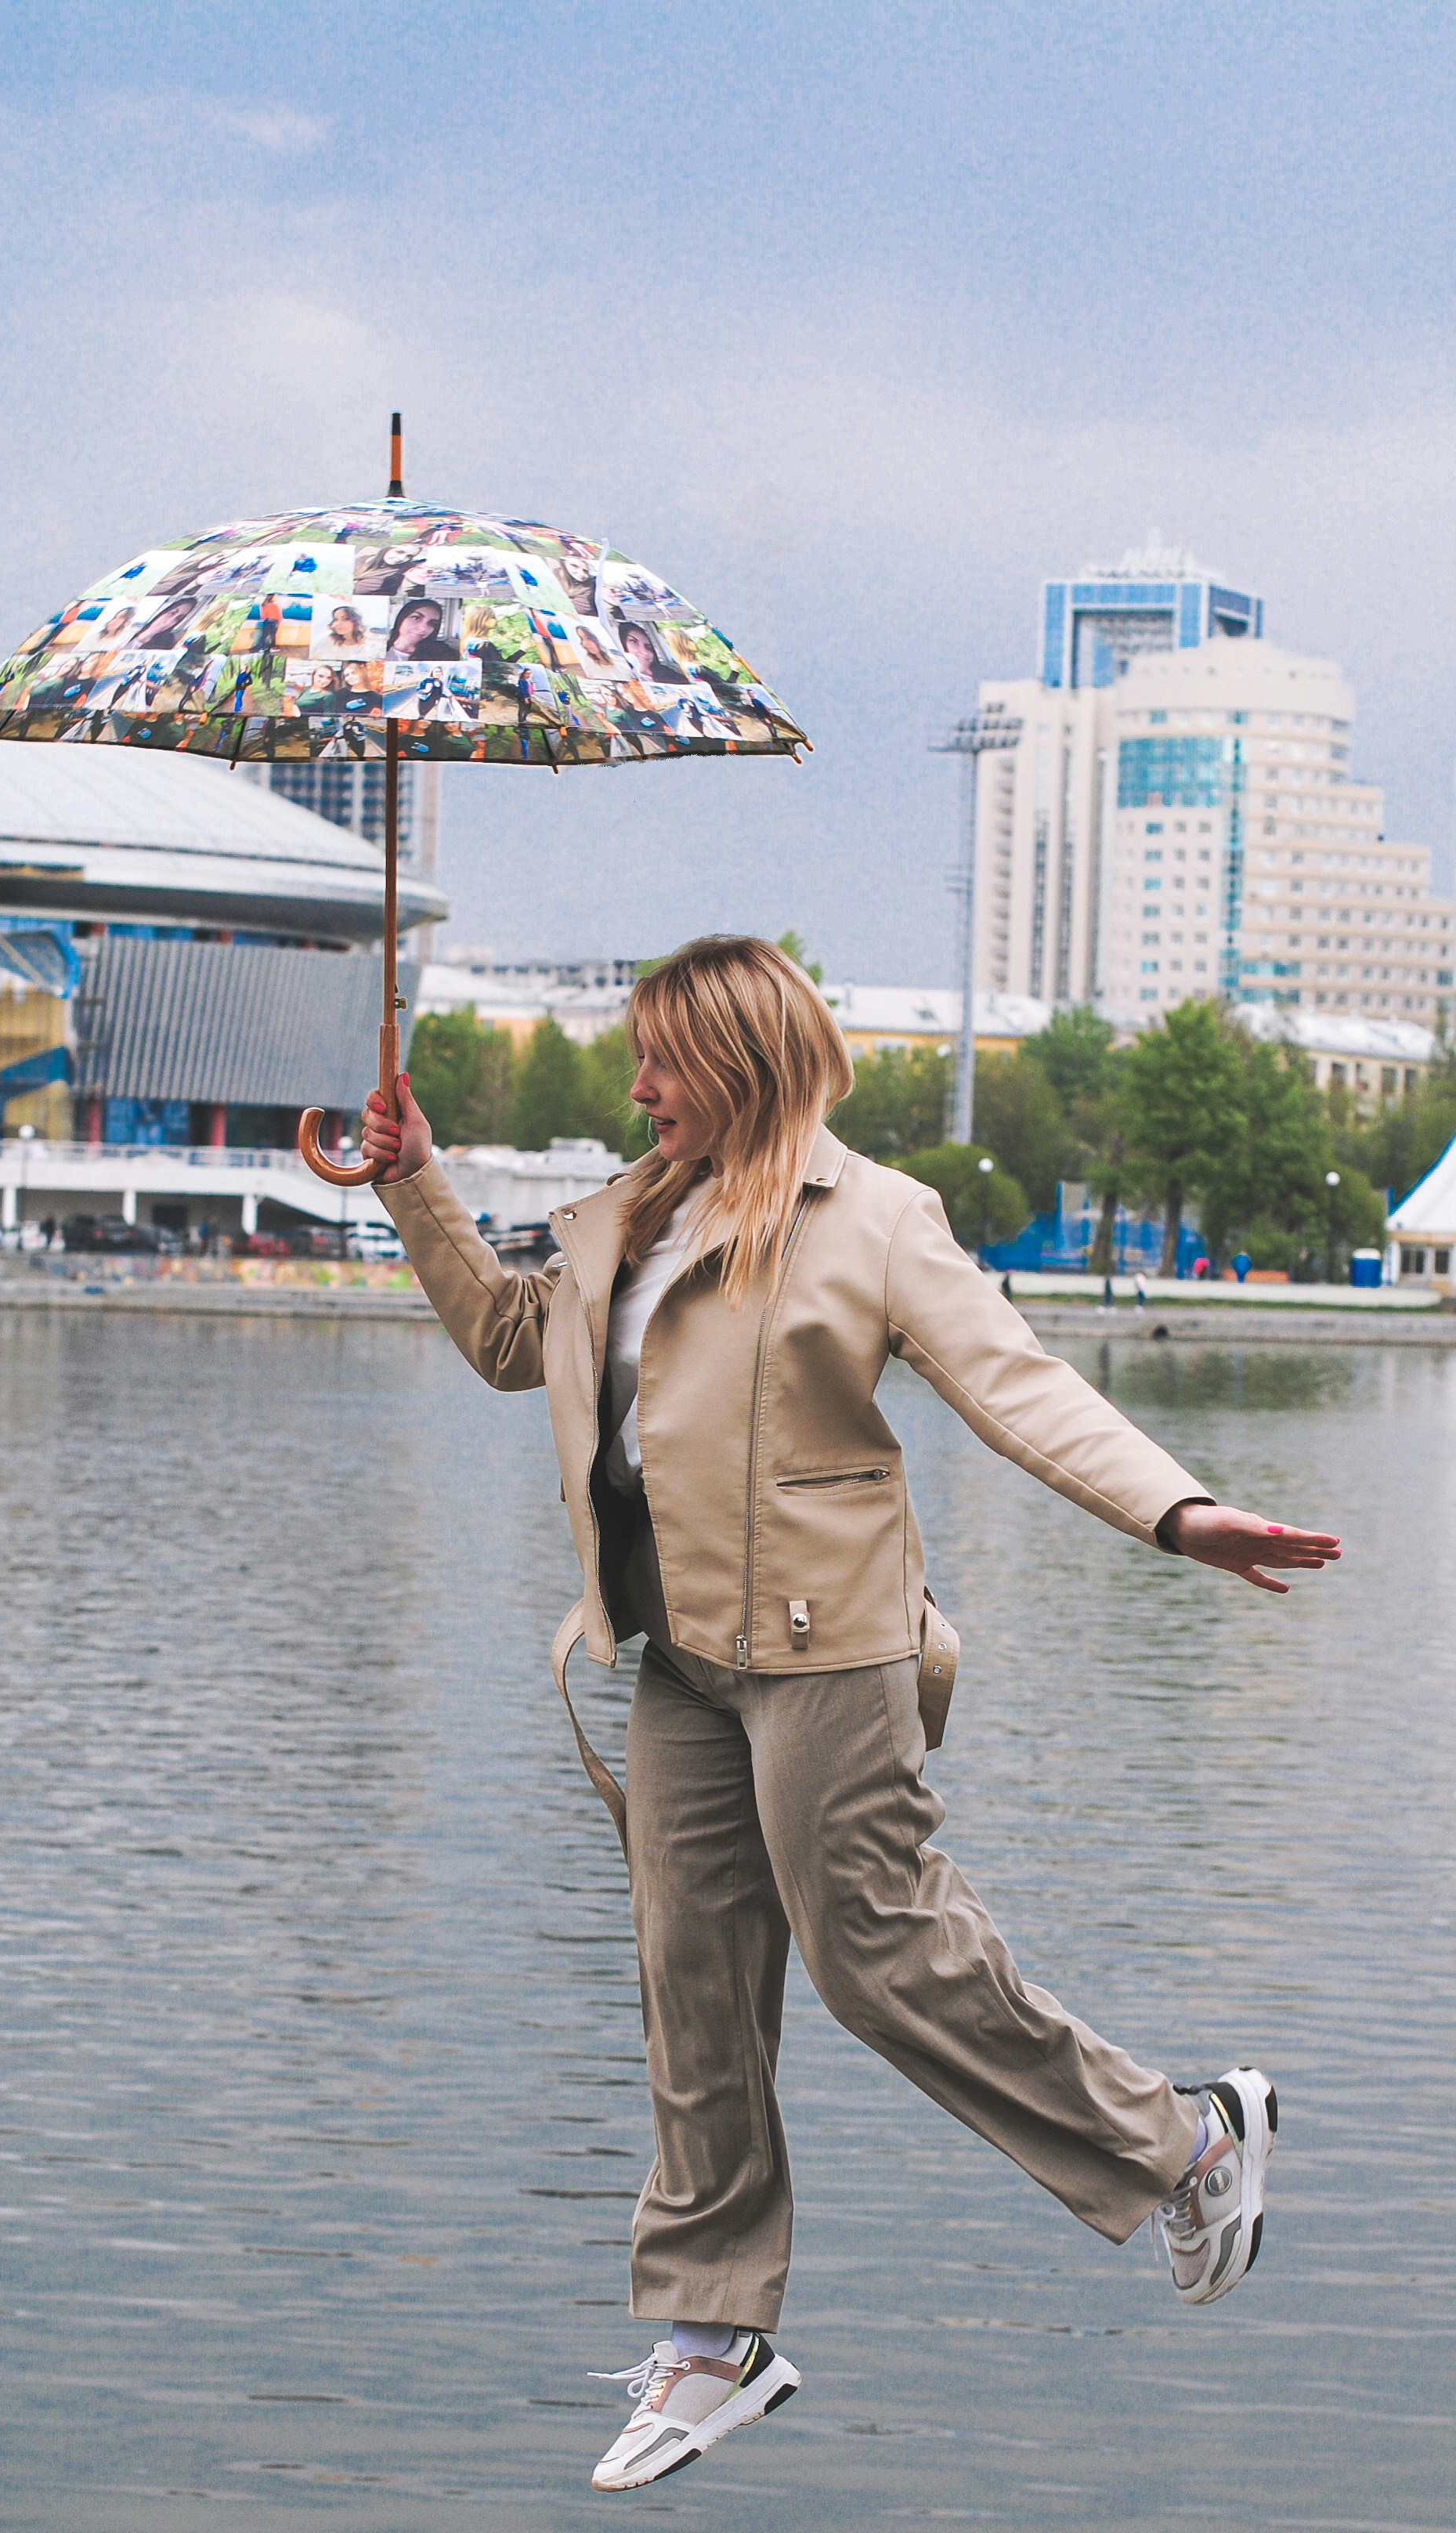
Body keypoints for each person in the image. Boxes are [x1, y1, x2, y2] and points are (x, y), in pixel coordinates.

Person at [359, 937, 1338, 2496]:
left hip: (834, 1648)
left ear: (738, 1062)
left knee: (875, 1956)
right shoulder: (634, 1216)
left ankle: (1189, 2142)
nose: (637, 1086)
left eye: (661, 1061)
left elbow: (1017, 1385)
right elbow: (502, 1342)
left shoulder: (876, 1218)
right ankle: (713, 2337)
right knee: (691, 1982)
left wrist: (1177, 1509)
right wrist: (414, 1181)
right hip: (679, 1651)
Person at [387, 598, 458, 661]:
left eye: (432, 623)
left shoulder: (442, 654)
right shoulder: (382, 648)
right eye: (416, 618)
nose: (423, 628)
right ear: (402, 618)